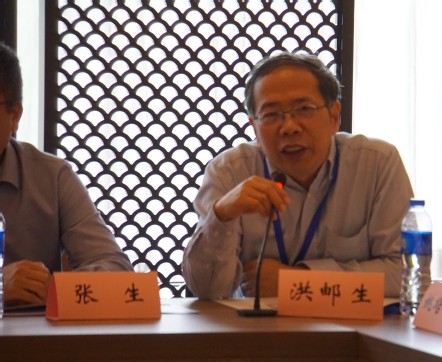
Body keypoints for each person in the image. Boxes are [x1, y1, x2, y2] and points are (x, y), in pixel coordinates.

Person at [183, 52, 413, 299]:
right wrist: (221, 215)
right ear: (254, 128)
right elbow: (205, 291)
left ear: (334, 116)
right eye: (271, 114)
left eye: (304, 109)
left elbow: (406, 274)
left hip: (351, 323)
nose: (289, 127)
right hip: (255, 324)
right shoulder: (229, 172)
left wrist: (296, 282)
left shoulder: (377, 164)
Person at [0, 42, 132, 307]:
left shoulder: (52, 176)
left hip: (33, 333)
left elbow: (116, 271)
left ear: (14, 115)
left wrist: (55, 288)